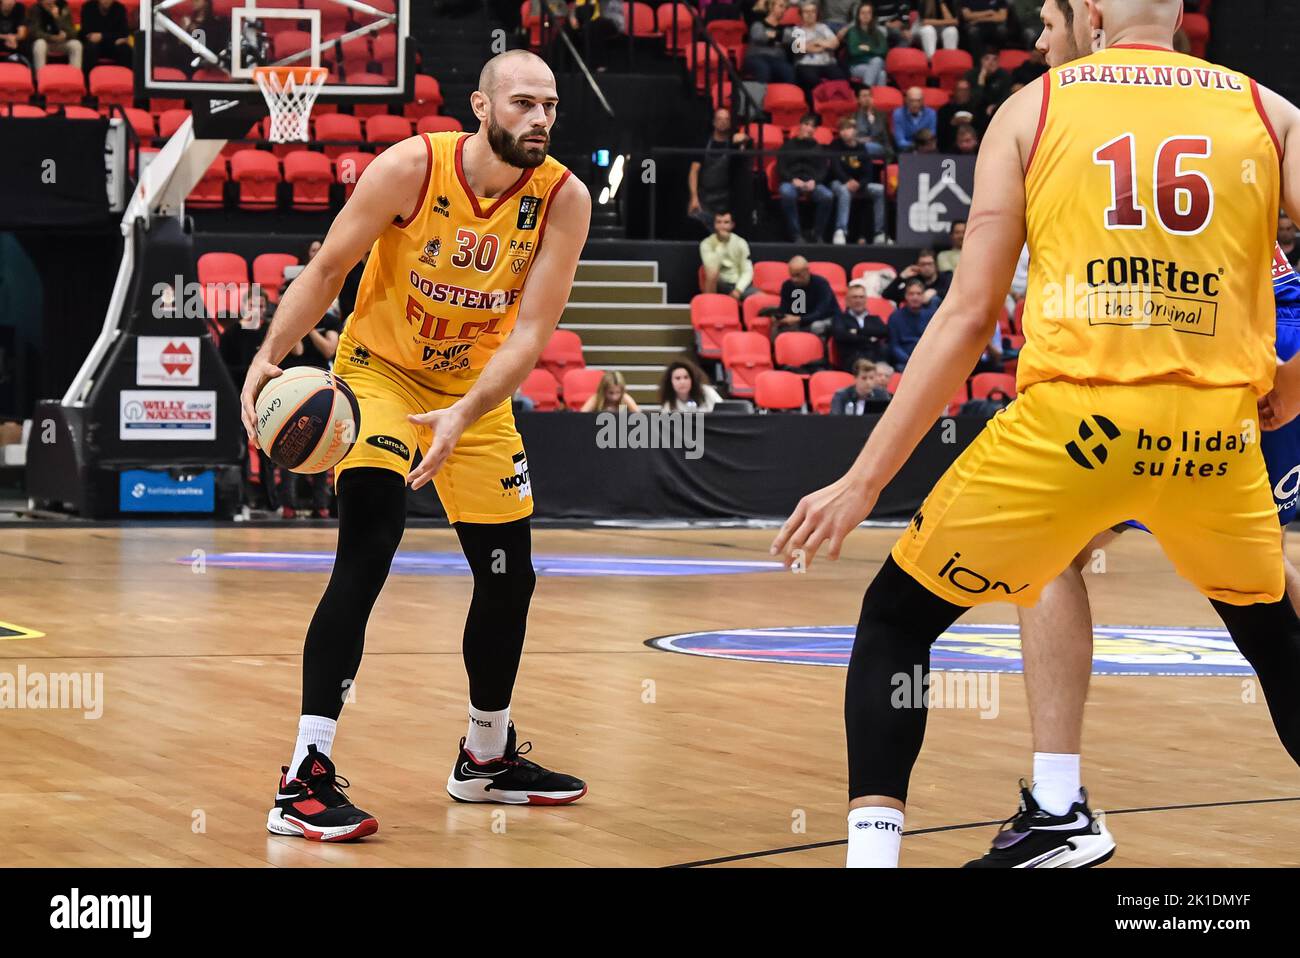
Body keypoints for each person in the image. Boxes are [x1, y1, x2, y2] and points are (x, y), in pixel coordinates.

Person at [772, 0, 1300, 869]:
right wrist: (1296, 381)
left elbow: (970, 314)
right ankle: (1058, 808)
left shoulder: (1037, 107)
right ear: (1183, 19)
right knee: (1277, 643)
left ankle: (875, 860)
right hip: (1212, 437)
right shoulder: (1267, 112)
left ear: (1091, 13)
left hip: (1073, 429)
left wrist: (862, 479)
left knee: (895, 619)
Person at [240, 50, 592, 842]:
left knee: (510, 575)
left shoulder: (564, 199)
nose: (539, 119)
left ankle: (485, 758)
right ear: (480, 106)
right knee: (371, 542)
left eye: (551, 106)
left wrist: (468, 410)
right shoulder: (411, 167)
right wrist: (269, 356)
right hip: (380, 376)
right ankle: (304, 778)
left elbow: (533, 331)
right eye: (524, 104)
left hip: (475, 394)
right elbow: (329, 266)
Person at [688, 108, 751, 232]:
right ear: (714, 122)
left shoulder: (733, 143)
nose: (723, 122)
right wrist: (694, 197)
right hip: (705, 197)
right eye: (719, 119)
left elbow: (746, 142)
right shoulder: (703, 142)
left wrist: (745, 139)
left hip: (726, 199)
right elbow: (694, 171)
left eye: (726, 119)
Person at [826, 117, 886, 245]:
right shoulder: (835, 145)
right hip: (838, 182)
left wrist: (860, 183)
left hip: (859, 184)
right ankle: (841, 230)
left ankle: (879, 232)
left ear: (855, 131)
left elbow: (868, 172)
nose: (844, 132)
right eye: (841, 129)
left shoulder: (861, 148)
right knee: (844, 191)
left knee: (880, 190)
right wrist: (847, 181)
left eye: (847, 129)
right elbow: (835, 168)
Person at [776, 114, 834, 242]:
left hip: (812, 182)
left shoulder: (818, 148)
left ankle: (817, 233)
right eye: (806, 124)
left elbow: (823, 169)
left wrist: (815, 181)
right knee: (786, 192)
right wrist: (792, 179)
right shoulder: (787, 146)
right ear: (800, 126)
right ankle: (796, 234)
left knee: (827, 196)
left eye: (812, 126)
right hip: (792, 182)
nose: (809, 128)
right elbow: (781, 168)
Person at [776, 255, 839, 337]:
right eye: (792, 275)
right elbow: (784, 308)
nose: (795, 279)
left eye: (798, 275)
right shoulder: (788, 285)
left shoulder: (821, 284)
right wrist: (780, 317)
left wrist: (798, 319)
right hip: (801, 321)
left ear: (807, 271)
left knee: (816, 326)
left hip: (825, 319)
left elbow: (821, 312)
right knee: (778, 327)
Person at [788, 1, 844, 93]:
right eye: (806, 12)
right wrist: (824, 44)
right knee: (812, 81)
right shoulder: (797, 30)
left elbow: (835, 43)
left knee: (840, 78)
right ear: (801, 15)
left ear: (816, 14)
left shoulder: (823, 27)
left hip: (827, 63)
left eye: (813, 11)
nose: (810, 15)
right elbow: (799, 49)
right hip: (806, 64)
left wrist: (816, 43)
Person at [700, 210, 756, 299]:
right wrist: (721, 244)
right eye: (719, 222)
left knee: (760, 297)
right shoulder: (706, 244)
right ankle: (710, 305)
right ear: (714, 225)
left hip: (738, 284)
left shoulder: (740, 243)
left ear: (732, 225)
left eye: (726, 222)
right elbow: (711, 268)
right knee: (712, 274)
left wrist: (738, 290)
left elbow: (747, 271)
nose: (722, 226)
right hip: (720, 282)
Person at [832, 282, 889, 368]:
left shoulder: (874, 319)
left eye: (861, 297)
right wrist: (870, 339)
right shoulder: (840, 319)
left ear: (866, 299)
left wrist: (857, 331)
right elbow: (841, 335)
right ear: (847, 300)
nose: (858, 300)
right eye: (854, 297)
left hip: (875, 361)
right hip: (852, 363)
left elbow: (884, 332)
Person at [884, 277, 935, 369]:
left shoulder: (932, 315)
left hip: (928, 358)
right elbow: (894, 345)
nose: (915, 297)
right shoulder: (895, 317)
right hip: (905, 361)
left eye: (918, 294)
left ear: (923, 296)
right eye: (911, 294)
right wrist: (909, 360)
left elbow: (936, 341)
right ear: (906, 296)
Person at [747, 0, 797, 84]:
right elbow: (758, 36)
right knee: (763, 69)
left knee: (789, 71)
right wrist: (780, 37)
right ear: (771, 7)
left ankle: (787, 96)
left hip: (777, 59)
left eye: (785, 8)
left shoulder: (786, 28)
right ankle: (758, 97)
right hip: (756, 57)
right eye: (781, 6)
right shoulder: (758, 24)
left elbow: (790, 38)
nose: (783, 10)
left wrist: (771, 34)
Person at [839, 2, 888, 88]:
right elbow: (854, 51)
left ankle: (869, 96)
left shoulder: (878, 32)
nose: (866, 15)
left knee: (882, 73)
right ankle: (867, 92)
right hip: (857, 66)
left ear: (872, 15)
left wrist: (868, 49)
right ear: (858, 15)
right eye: (863, 13)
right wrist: (874, 51)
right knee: (878, 63)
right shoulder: (853, 31)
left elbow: (884, 50)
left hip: (872, 66)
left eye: (868, 13)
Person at [882, 248, 950, 303]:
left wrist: (935, 292)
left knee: (935, 299)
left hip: (942, 316)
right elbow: (887, 294)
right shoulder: (913, 281)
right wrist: (901, 277)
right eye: (923, 264)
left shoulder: (945, 277)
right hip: (917, 317)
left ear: (936, 265)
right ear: (917, 266)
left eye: (929, 264)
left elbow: (954, 295)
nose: (926, 267)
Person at [27, 0, 79, 70]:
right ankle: (40, 77)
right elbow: (34, 32)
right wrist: (51, 37)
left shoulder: (63, 8)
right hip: (45, 43)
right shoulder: (35, 9)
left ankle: (75, 76)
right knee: (40, 44)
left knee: (76, 45)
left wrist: (57, 18)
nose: (49, 2)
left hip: (61, 43)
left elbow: (73, 32)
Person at [80, 0, 131, 70]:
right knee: (90, 48)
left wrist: (102, 36)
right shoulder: (88, 7)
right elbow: (86, 32)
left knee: (125, 49)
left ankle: (127, 78)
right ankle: (88, 79)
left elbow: (123, 33)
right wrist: (112, 37)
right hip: (95, 44)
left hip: (113, 44)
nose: (106, 1)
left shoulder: (119, 8)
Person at [852, 86, 896, 164]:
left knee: (867, 146)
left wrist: (870, 115)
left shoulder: (881, 115)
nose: (867, 98)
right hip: (859, 146)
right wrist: (860, 140)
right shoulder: (853, 117)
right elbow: (852, 137)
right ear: (858, 99)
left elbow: (879, 134)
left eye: (869, 95)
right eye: (864, 96)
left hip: (879, 146)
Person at [966, 48, 1012, 120]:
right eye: (987, 59)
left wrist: (996, 106)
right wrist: (981, 81)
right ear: (981, 61)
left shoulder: (1004, 75)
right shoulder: (971, 75)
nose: (991, 62)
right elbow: (973, 101)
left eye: (995, 59)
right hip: (975, 112)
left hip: (997, 112)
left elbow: (1007, 96)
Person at [936, 78, 978, 151]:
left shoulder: (978, 109)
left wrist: (972, 122)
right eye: (960, 90)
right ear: (955, 92)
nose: (963, 93)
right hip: (949, 151)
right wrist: (952, 124)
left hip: (975, 151)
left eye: (966, 90)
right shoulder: (944, 110)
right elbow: (940, 135)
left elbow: (982, 129)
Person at [891, 86, 938, 153]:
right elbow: (900, 142)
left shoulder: (931, 113)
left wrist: (922, 147)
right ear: (906, 100)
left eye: (918, 101)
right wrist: (917, 146)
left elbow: (931, 138)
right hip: (905, 151)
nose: (915, 104)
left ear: (922, 101)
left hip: (926, 151)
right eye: (911, 101)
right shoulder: (898, 114)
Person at [0, 0, 30, 66]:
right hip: (2, 40)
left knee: (26, 42)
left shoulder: (19, 7)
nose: (10, 2)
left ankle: (25, 67)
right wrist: (7, 37)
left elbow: (22, 34)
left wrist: (14, 38)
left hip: (16, 42)